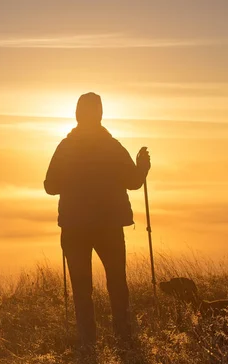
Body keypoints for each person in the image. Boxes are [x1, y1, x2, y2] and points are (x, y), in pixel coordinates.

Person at [44, 92, 150, 345]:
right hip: (109, 226)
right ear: (100, 114)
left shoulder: (65, 148)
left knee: (81, 289)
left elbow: (50, 186)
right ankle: (123, 337)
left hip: (74, 227)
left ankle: (86, 341)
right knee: (117, 282)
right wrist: (143, 167)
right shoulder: (111, 147)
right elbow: (134, 182)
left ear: (78, 114)